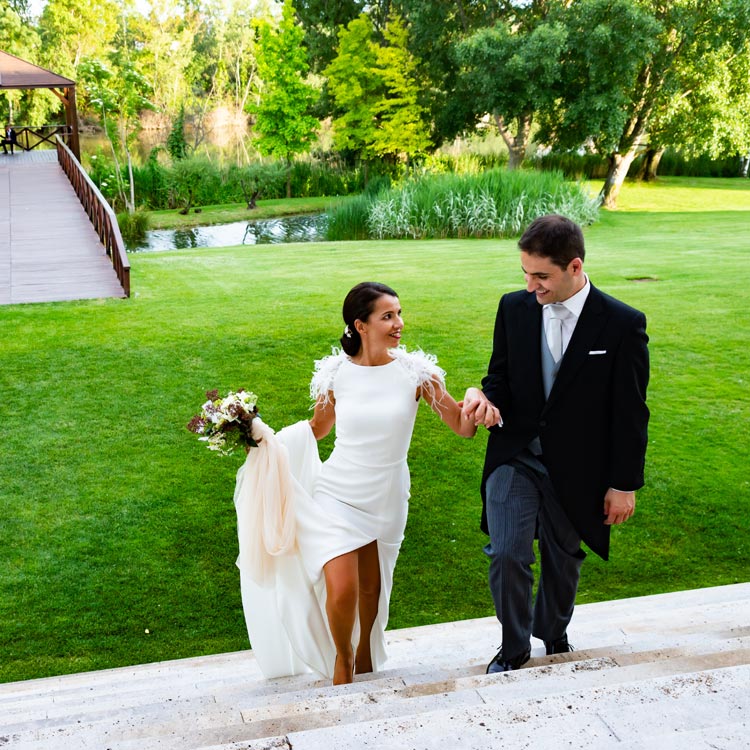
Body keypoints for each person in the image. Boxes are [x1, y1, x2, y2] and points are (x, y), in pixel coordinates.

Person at [234, 282, 499, 685]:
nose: (399, 323)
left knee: (372, 591)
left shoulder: (417, 374)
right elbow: (317, 430)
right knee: (342, 588)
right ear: (360, 325)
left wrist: (474, 393)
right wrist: (262, 436)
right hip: (338, 492)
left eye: (399, 313)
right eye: (388, 316)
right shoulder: (335, 375)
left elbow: (463, 427)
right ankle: (341, 662)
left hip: (388, 494)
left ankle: (364, 657)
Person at [462, 214, 650, 673]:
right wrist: (481, 396)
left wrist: (623, 484)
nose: (531, 286)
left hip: (579, 466)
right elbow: (500, 379)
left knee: (563, 559)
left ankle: (553, 631)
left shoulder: (622, 324)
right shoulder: (513, 308)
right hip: (516, 455)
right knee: (507, 553)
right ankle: (513, 649)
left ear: (575, 267)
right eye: (525, 273)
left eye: (541, 276)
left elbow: (630, 413)